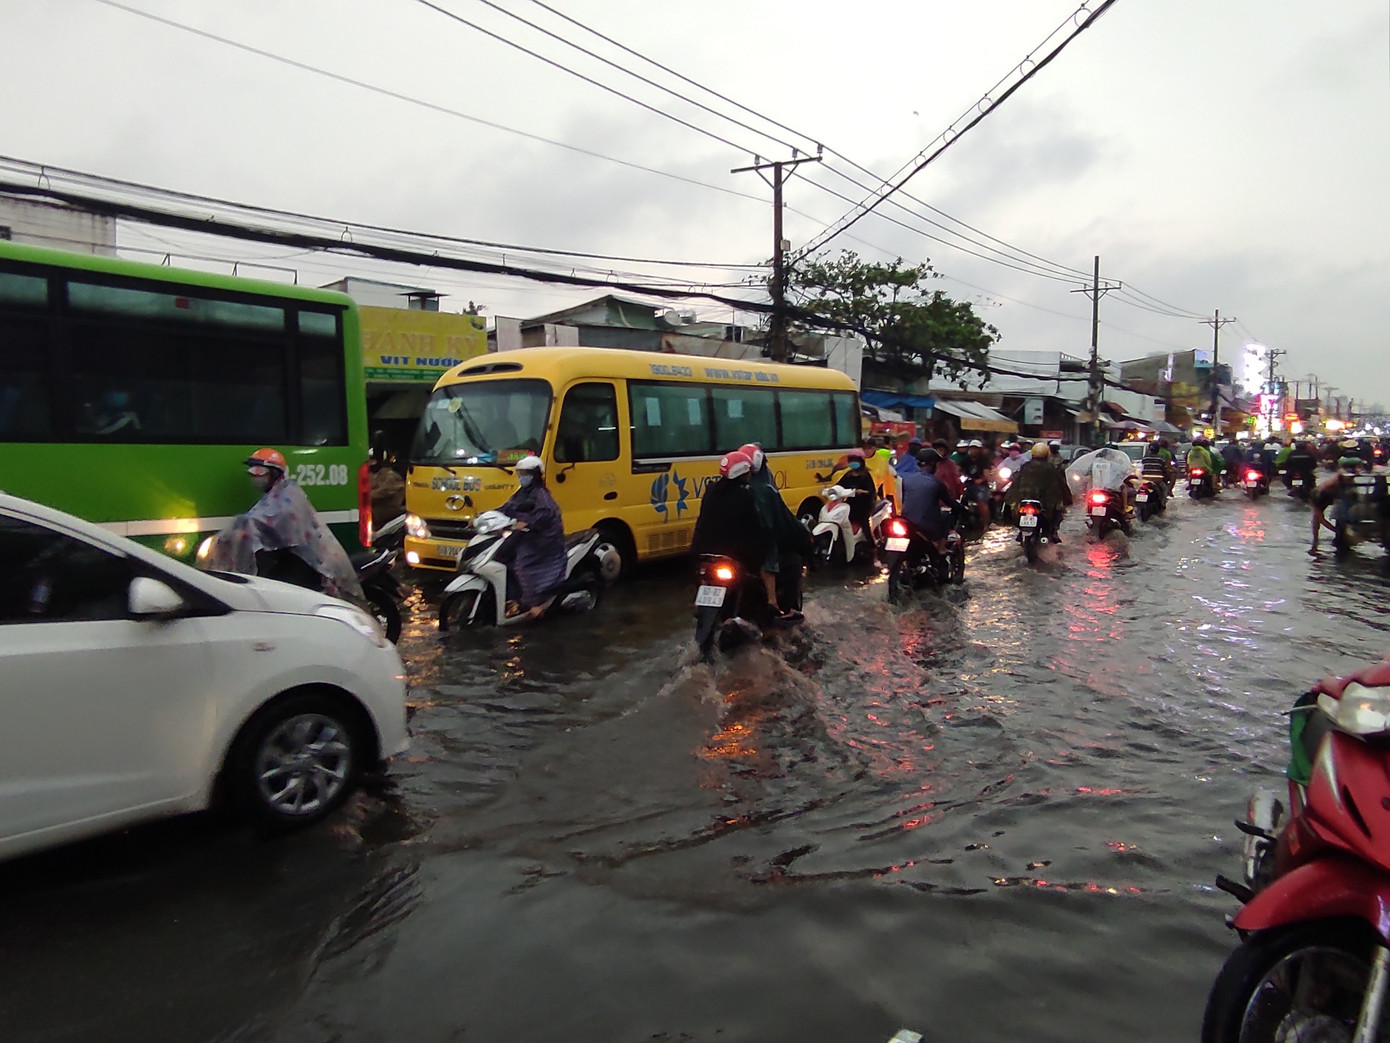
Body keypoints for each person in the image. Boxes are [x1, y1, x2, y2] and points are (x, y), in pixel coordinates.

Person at [208, 448, 363, 601]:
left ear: (274, 473)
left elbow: (272, 517)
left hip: (305, 559)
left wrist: (244, 523)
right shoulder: (275, 493)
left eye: (259, 472)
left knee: (282, 587)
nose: (255, 477)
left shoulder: (288, 494)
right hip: (288, 554)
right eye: (252, 473)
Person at [739, 443, 812, 621]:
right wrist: (806, 541)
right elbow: (784, 523)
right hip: (757, 554)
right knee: (793, 561)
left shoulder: (718, 490)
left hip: (726, 551)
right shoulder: (765, 492)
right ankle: (788, 608)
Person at [496, 455, 568, 619]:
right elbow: (507, 508)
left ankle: (534, 605)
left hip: (543, 541)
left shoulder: (542, 496)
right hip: (526, 536)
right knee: (503, 557)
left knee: (522, 566)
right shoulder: (521, 493)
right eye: (520, 473)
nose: (522, 477)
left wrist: (527, 523)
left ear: (535, 475)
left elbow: (544, 514)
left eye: (526, 473)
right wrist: (483, 516)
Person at [691, 448, 769, 590]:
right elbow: (754, 526)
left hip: (702, 552)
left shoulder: (711, 490)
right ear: (742, 473)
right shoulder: (745, 495)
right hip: (733, 554)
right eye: (748, 471)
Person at [1006, 441, 1071, 541]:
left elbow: (1015, 484)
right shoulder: (1050, 468)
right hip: (1045, 503)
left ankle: (1023, 532)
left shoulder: (1025, 467)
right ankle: (1052, 532)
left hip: (1024, 500)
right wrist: (1068, 499)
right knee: (1058, 511)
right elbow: (1061, 485)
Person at [900, 449, 959, 555]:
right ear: (933, 464)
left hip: (906, 520)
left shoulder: (906, 480)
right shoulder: (936, 483)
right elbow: (950, 502)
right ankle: (941, 548)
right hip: (926, 524)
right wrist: (961, 509)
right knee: (946, 515)